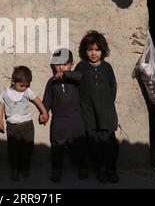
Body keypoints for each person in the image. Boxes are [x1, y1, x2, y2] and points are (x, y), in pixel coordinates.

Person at [76, 30, 119, 183]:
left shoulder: (107, 68)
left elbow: (113, 88)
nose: (93, 53)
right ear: (84, 51)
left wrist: (105, 104)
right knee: (94, 145)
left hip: (106, 114)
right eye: (90, 49)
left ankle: (111, 169)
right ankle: (100, 169)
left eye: (97, 49)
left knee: (109, 144)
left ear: (102, 50)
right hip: (89, 115)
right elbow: (78, 90)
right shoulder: (81, 67)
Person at [43, 48, 88, 183]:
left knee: (79, 145)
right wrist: (44, 112)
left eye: (65, 64)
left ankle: (82, 167)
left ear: (71, 64)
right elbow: (47, 99)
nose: (61, 67)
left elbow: (81, 76)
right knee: (57, 146)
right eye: (58, 64)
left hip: (76, 120)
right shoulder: (52, 81)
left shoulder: (74, 79)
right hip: (59, 120)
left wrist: (65, 74)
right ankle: (57, 170)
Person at [0, 66, 49, 181]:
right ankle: (15, 169)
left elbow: (37, 100)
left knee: (28, 148)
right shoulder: (5, 93)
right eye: (21, 85)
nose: (24, 88)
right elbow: (0, 106)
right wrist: (0, 121)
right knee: (13, 149)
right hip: (12, 127)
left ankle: (25, 167)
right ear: (13, 81)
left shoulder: (27, 91)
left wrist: (44, 112)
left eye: (27, 85)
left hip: (27, 126)